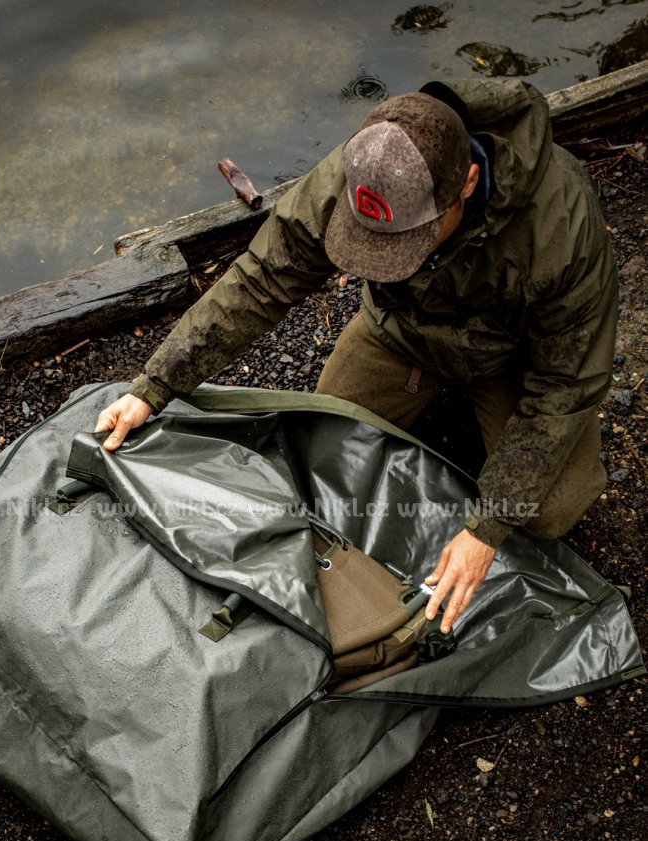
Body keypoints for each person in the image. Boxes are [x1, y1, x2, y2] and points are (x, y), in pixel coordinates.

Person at [93, 80, 617, 635]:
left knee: (547, 511)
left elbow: (567, 386)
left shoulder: (561, 224)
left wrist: (485, 529)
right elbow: (260, 279)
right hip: (403, 335)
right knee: (327, 453)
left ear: (466, 182)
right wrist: (153, 386)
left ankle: (478, 428)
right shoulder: (361, 166)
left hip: (512, 360)